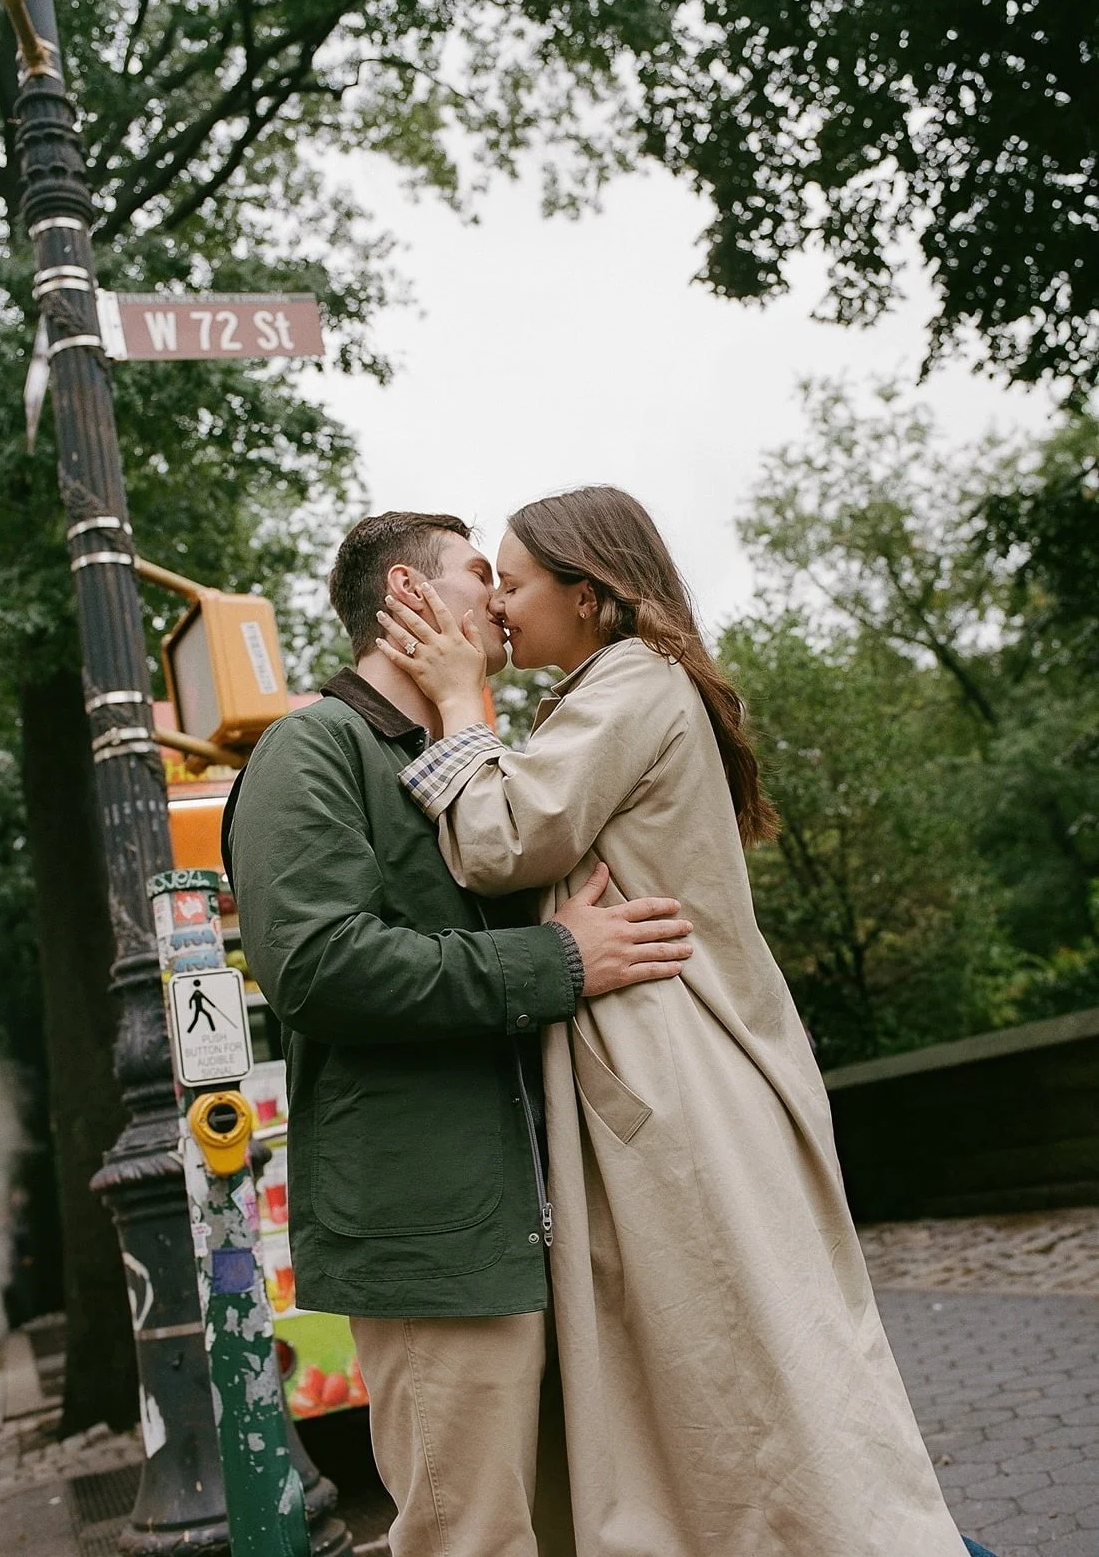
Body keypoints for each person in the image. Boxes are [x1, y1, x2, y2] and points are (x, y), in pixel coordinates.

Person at [377, 486, 999, 1557]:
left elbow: (497, 839)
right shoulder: (622, 686)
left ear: (589, 594)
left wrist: (460, 706)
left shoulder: (625, 683)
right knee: (725, 1368)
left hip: (668, 1074)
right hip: (665, 1069)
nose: (502, 605)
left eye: (515, 581)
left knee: (736, 1365)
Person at [221, 510, 695, 1557]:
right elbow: (317, 967)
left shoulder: (466, 761)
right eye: (479, 571)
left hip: (540, 1229)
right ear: (406, 594)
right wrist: (556, 961)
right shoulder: (312, 749)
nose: (499, 595)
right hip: (428, 1235)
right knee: (467, 1537)